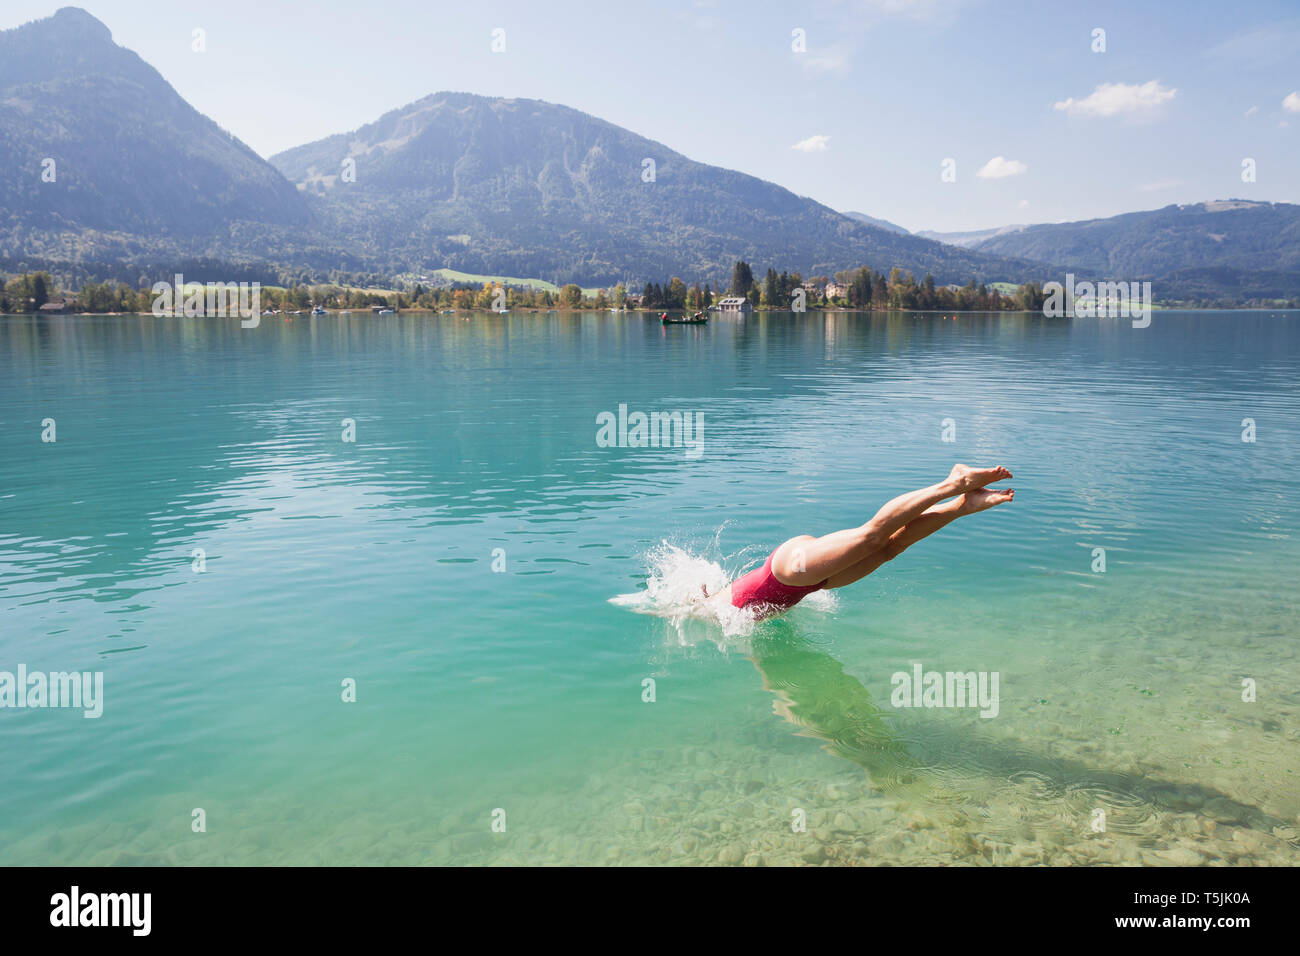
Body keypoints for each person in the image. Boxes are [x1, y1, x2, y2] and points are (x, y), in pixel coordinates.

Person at [711, 464, 1014, 618]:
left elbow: (680, 604)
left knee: (871, 537)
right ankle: (964, 504)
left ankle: (953, 483)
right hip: (809, 583)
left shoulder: (708, 610)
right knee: (888, 550)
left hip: (788, 571)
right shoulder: (716, 606)